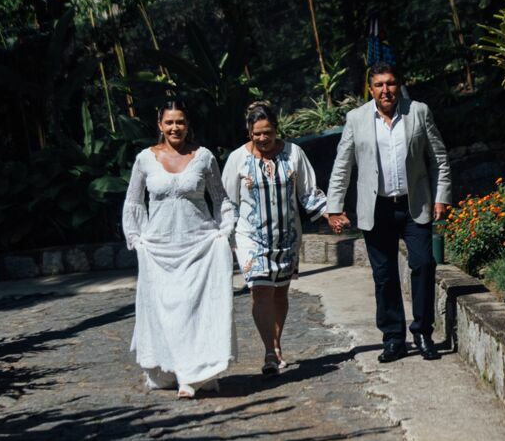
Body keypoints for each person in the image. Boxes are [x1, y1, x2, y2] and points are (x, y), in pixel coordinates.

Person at [325, 62, 451, 362]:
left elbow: (439, 159)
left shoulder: (418, 112)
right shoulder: (356, 119)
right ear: (370, 89)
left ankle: (422, 332)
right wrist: (334, 206)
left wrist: (441, 196)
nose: (386, 90)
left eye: (391, 83)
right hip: (376, 208)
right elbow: (343, 165)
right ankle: (393, 338)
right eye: (380, 85)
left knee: (423, 265)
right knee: (384, 276)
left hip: (414, 205)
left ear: (399, 85)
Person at [122, 96, 237, 397]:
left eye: (181, 122)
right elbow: (134, 201)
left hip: (198, 245)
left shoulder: (204, 157)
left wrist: (224, 231)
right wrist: (136, 239)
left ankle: (193, 374)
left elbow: (221, 197)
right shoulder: (145, 159)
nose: (175, 128)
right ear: (160, 125)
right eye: (169, 122)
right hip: (159, 249)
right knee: (165, 313)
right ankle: (171, 369)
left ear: (188, 125)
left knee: (195, 311)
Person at [222, 102, 328, 376]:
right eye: (256, 133)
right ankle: (269, 351)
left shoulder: (294, 153)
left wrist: (329, 214)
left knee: (280, 292)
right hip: (250, 237)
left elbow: (307, 192)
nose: (262, 138)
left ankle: (277, 345)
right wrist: (223, 232)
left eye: (267, 132)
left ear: (276, 129)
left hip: (287, 236)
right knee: (260, 290)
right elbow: (228, 201)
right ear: (248, 132)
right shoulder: (237, 159)